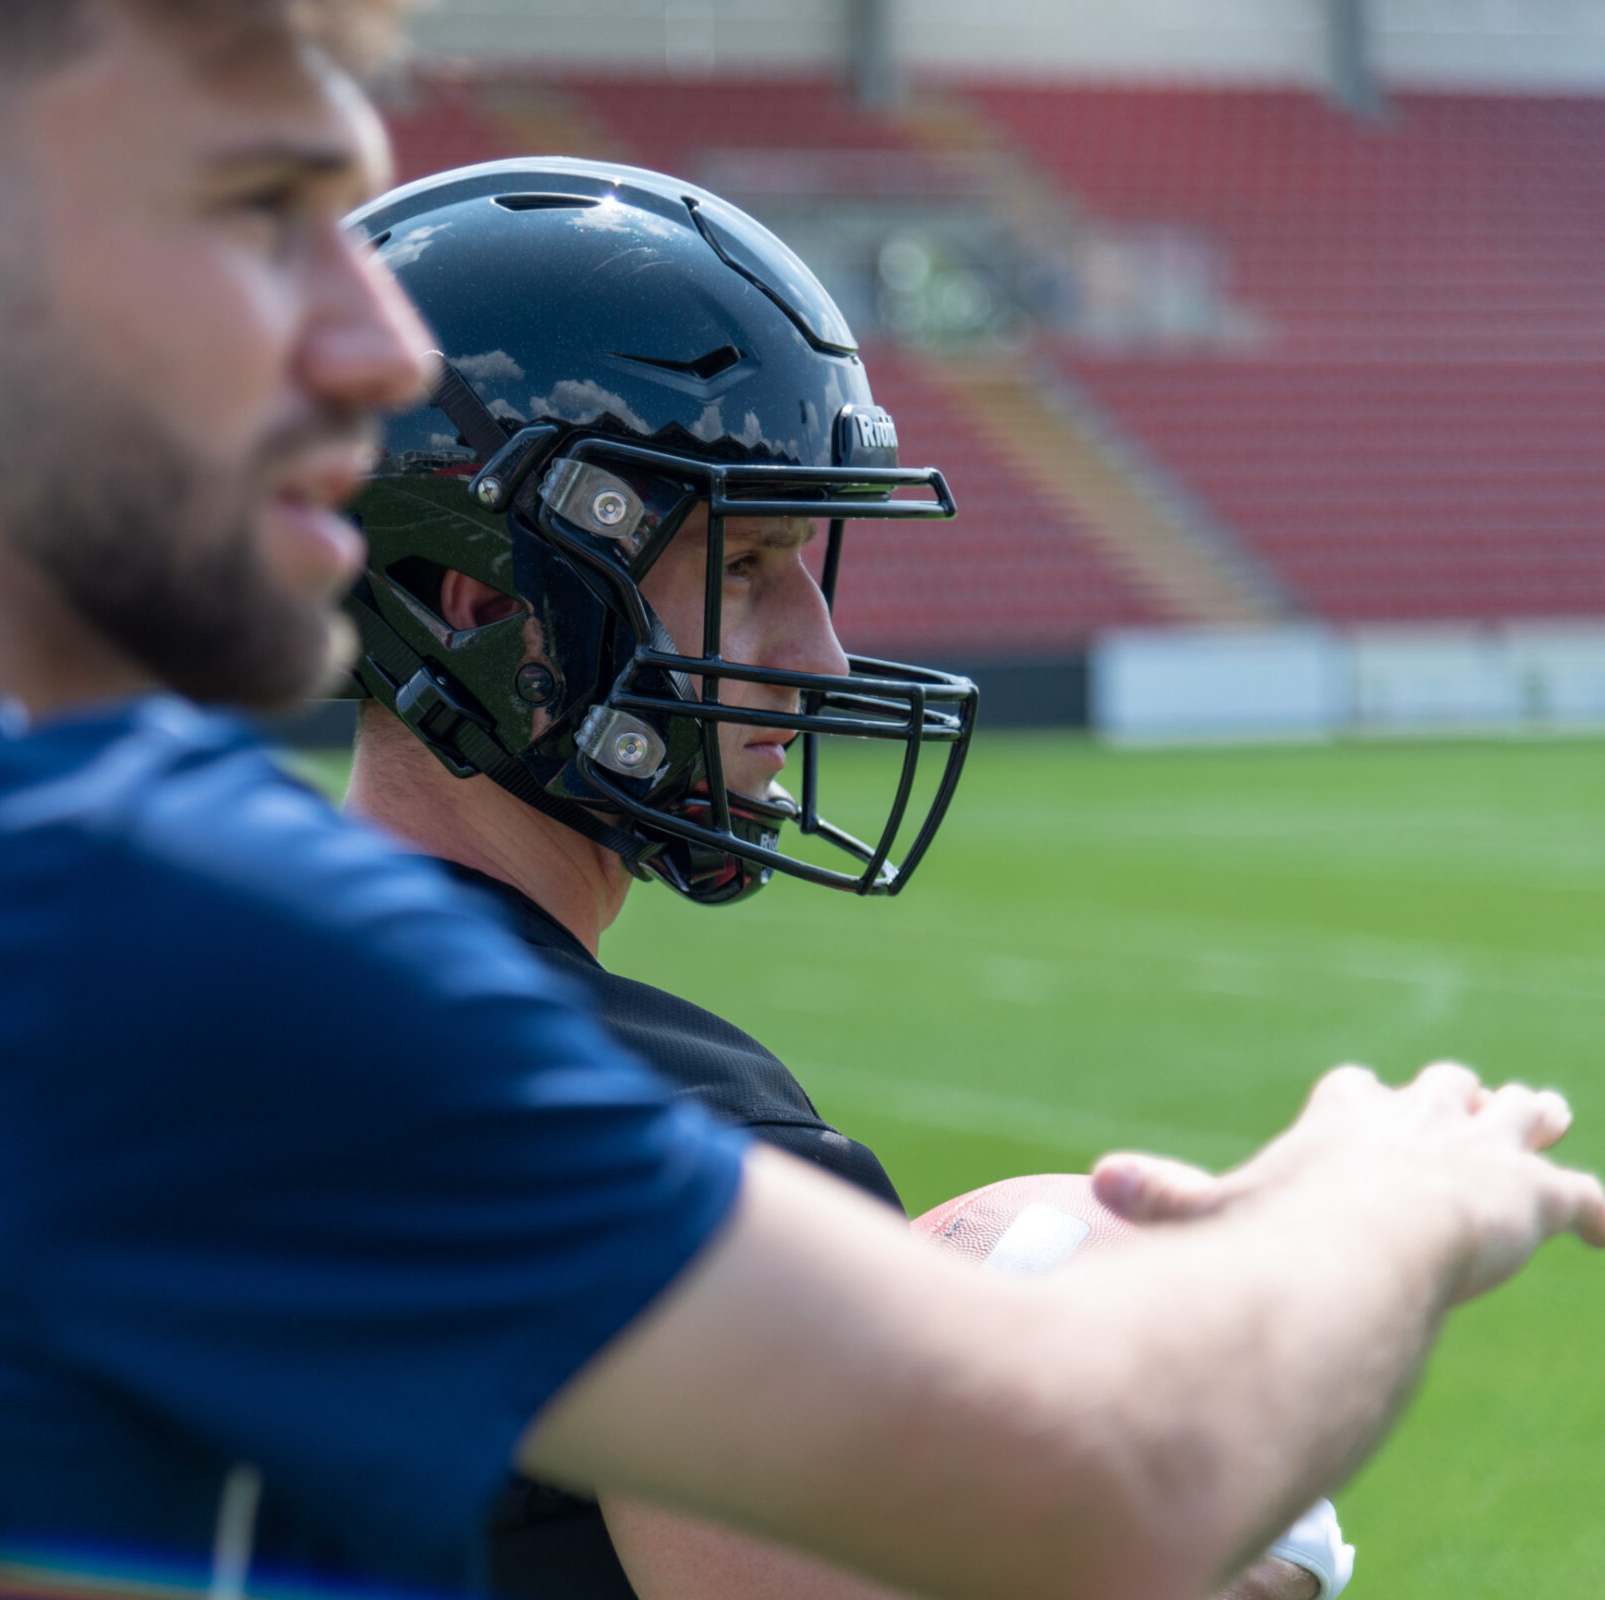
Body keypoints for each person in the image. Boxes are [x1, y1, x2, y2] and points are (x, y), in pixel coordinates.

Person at [0, 7, 1597, 1600]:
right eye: (261, 214)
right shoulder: (114, 927)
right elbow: (1099, 1483)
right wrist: (1389, 1195)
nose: (365, 353)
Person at [338, 159, 1343, 1600]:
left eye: (809, 564)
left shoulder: (127, 976)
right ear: (496, 607)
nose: (814, 657)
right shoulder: (650, 1145)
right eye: (747, 570)